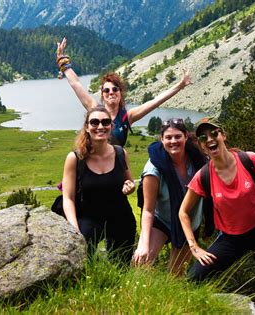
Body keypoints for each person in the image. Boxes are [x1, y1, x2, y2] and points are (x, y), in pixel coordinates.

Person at [178, 117, 255, 311]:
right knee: (194, 278)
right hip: (230, 238)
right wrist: (194, 247)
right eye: (203, 137)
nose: (209, 139)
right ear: (201, 146)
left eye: (214, 133)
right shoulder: (204, 175)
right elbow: (183, 212)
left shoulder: (250, 160)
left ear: (223, 135)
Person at [56, 37, 191, 146]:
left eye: (115, 89)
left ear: (120, 93)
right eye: (107, 90)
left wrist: (180, 86)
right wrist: (62, 61)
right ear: (102, 94)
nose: (111, 92)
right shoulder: (94, 108)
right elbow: (76, 84)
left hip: (115, 167)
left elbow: (156, 101)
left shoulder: (127, 117)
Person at [132, 118, 207, 275]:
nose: (173, 141)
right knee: (141, 264)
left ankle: (169, 300)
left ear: (186, 136)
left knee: (176, 275)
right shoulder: (153, 170)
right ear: (161, 139)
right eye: (168, 137)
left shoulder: (198, 160)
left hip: (189, 222)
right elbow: (148, 210)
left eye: (178, 136)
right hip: (162, 219)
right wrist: (143, 244)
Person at [62, 106, 136, 264]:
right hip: (89, 217)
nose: (100, 126)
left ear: (111, 126)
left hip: (120, 217)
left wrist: (130, 187)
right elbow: (68, 197)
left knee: (121, 266)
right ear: (87, 127)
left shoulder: (120, 153)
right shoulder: (75, 158)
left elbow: (129, 182)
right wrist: (74, 228)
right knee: (83, 264)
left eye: (105, 122)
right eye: (94, 122)